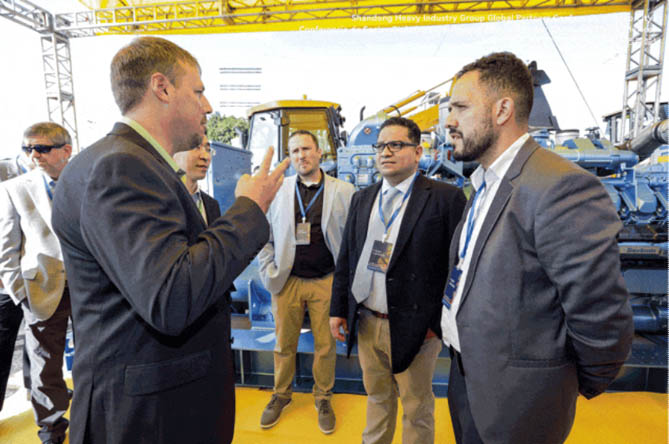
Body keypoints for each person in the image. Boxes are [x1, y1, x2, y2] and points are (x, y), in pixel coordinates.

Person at [51, 36, 289, 444]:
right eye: (198, 92)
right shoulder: (122, 166)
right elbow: (172, 297)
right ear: (161, 88)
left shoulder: (116, 162)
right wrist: (250, 208)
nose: (207, 106)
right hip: (151, 419)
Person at [441, 52, 634, 444]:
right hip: (469, 378)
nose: (448, 120)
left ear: (502, 110)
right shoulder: (485, 183)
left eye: (460, 107)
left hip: (520, 403)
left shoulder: (558, 185)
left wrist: (555, 386)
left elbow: (601, 317)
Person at [330, 117, 466, 444]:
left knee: (416, 406)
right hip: (367, 321)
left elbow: (459, 268)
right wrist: (338, 309)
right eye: (380, 146)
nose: (385, 152)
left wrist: (438, 323)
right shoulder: (363, 198)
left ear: (418, 152)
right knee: (377, 397)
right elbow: (347, 257)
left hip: (417, 327)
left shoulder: (445, 198)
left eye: (396, 145)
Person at [257, 130, 355, 434]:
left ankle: (323, 397)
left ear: (319, 152)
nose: (301, 155)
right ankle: (281, 394)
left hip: (326, 280)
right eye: (295, 151)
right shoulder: (278, 191)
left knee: (325, 346)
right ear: (291, 157)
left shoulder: (344, 191)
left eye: (307, 149)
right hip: (287, 281)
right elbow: (263, 235)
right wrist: (268, 270)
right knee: (283, 344)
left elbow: (352, 240)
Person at [0, 122, 73, 444]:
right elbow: (7, 248)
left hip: (88, 288)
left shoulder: (86, 180)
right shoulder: (14, 188)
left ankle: (94, 416)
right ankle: (51, 430)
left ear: (66, 150)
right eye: (28, 148)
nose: (34, 155)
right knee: (45, 367)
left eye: (41, 148)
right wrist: (21, 294)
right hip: (40, 290)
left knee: (95, 358)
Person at [0, 150, 33, 412]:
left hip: (37, 276)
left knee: (38, 340)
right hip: (5, 280)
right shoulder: (5, 173)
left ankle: (36, 390)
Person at [174, 134, 221, 223]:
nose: (206, 157)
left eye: (208, 150)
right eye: (196, 147)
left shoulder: (212, 205)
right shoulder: (161, 200)